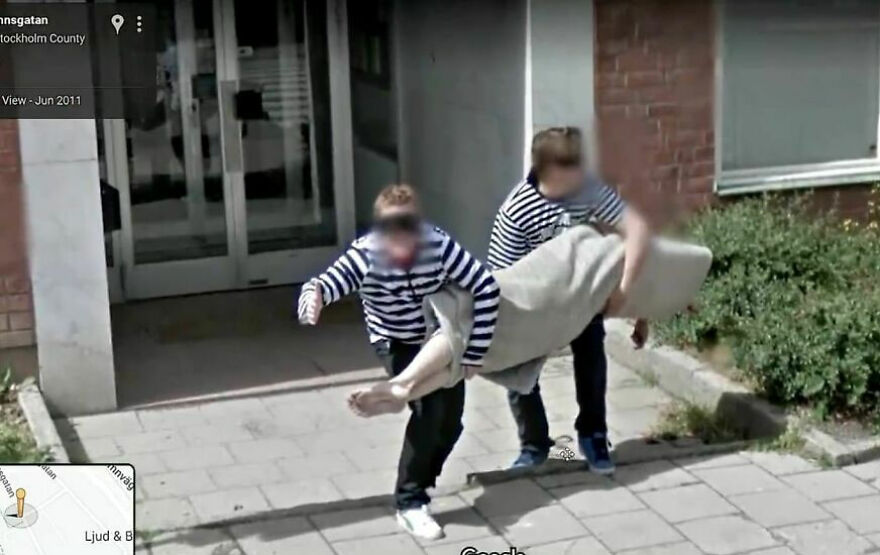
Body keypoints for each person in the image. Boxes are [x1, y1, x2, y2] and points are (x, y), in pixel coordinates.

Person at [297, 184, 500, 541]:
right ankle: (409, 502)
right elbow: (325, 282)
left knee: (452, 424)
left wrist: (476, 350)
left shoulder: (437, 244)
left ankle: (420, 473)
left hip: (439, 339)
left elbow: (485, 286)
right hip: (393, 340)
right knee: (430, 413)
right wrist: (312, 301)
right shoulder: (367, 254)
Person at [486, 126, 651, 474]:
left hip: (581, 294)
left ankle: (592, 437)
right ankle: (535, 445)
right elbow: (501, 279)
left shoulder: (588, 189)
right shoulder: (516, 211)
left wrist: (626, 296)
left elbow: (637, 229)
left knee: (591, 356)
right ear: (548, 172)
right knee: (518, 371)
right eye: (571, 174)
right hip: (532, 301)